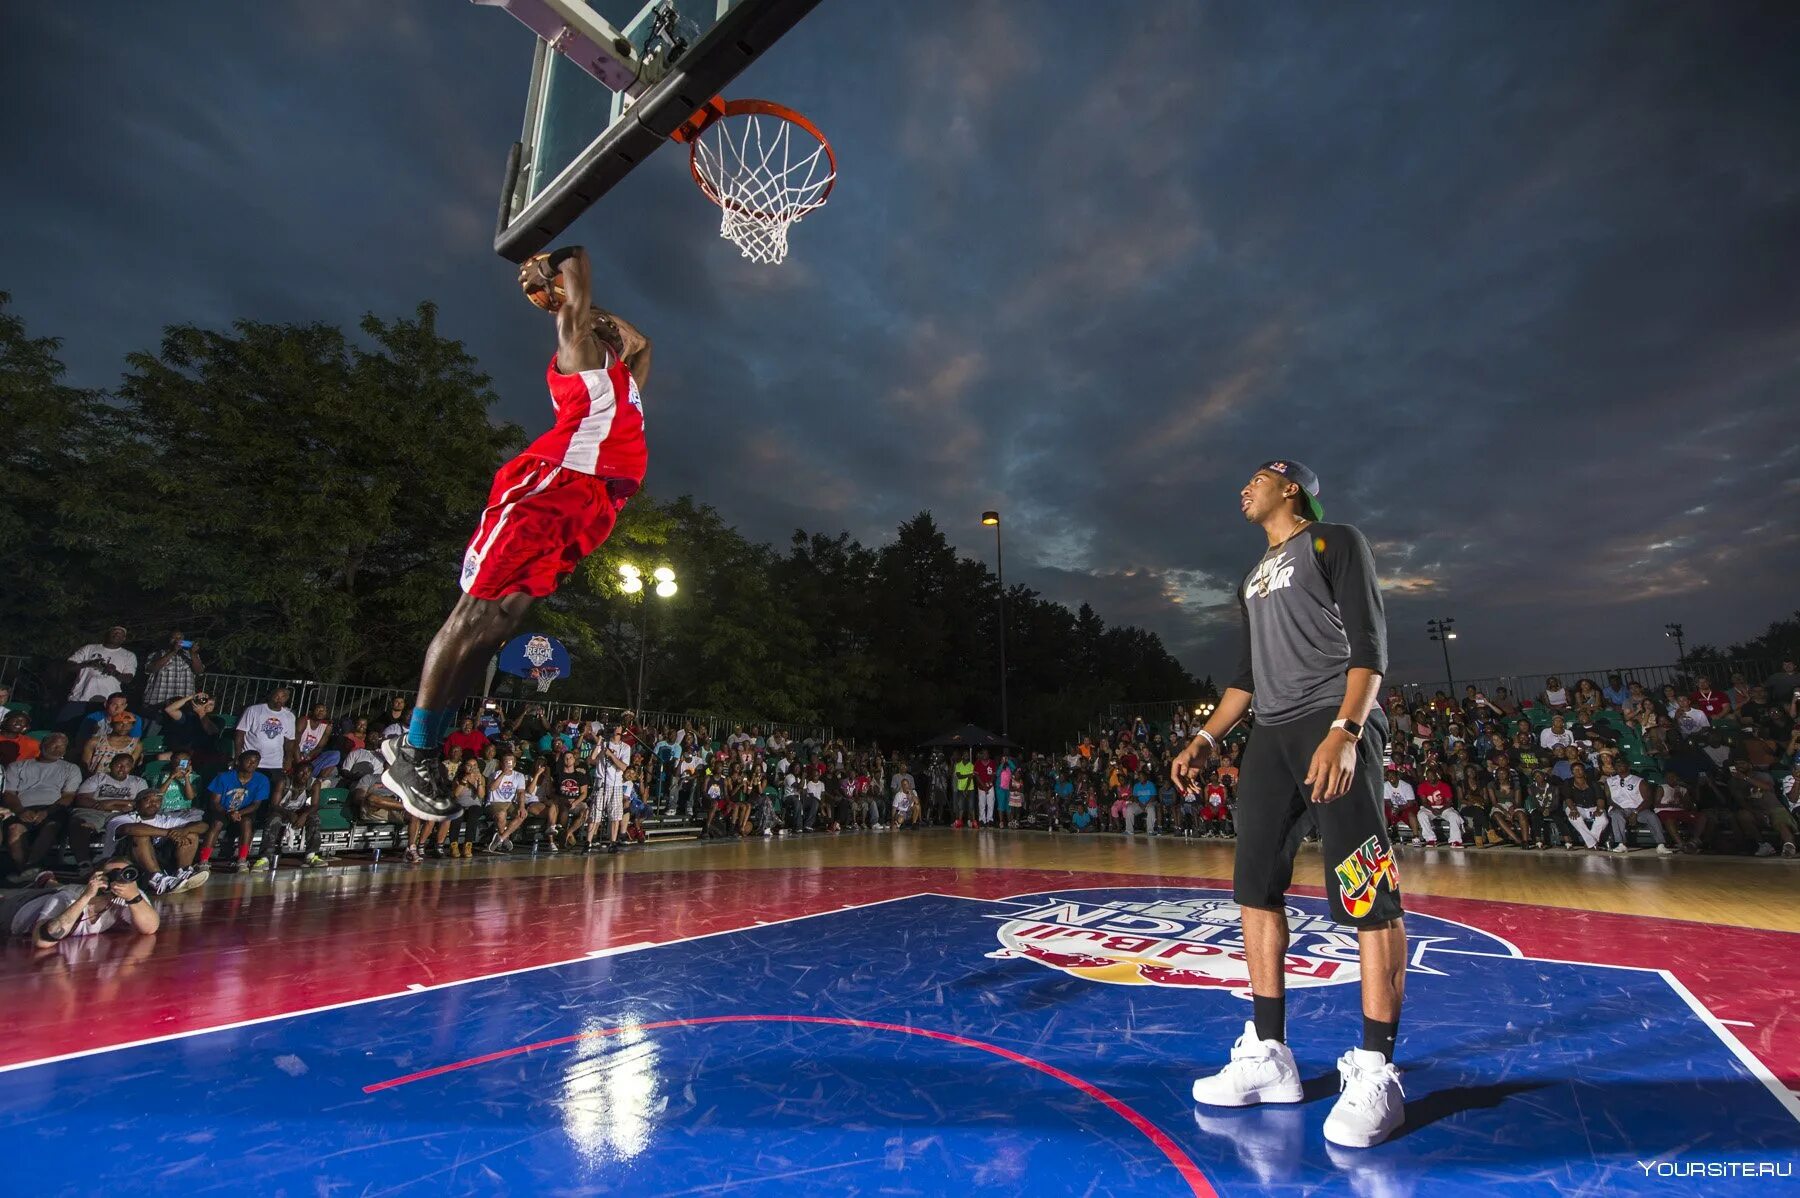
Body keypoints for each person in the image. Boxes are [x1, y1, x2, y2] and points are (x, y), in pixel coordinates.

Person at [1179, 460, 1406, 1149]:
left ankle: (1375, 1069)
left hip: (1329, 722)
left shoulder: (1334, 541)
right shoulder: (1250, 577)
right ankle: (1271, 1055)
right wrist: (1206, 736)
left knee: (1366, 890)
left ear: (1291, 487)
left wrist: (1347, 729)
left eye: (1256, 478)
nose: (1242, 487)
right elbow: (1249, 676)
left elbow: (1370, 643)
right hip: (1271, 737)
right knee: (1254, 888)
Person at [380, 247, 651, 819]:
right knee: (473, 615)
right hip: (549, 491)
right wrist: (554, 265)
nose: (609, 333)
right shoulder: (579, 357)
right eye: (597, 327)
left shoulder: (624, 380)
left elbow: (642, 341)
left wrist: (601, 314)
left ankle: (426, 743)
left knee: (498, 628)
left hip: (589, 509)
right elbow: (575, 264)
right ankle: (415, 748)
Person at [1, 858, 159, 947]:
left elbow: (150, 927)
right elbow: (43, 941)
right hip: (17, 909)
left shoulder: (131, 895)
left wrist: (134, 897)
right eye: (112, 874)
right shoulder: (68, 897)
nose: (120, 879)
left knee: (62, 888)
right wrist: (85, 898)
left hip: (56, 893)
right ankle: (46, 882)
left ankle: (47, 881)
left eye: (126, 874)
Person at [202, 751, 272, 870]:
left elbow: (255, 805)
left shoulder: (262, 780)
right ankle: (203, 861)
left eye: (255, 762)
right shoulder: (223, 777)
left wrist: (239, 813)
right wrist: (228, 812)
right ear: (239, 762)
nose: (252, 764)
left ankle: (242, 860)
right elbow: (214, 802)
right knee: (216, 823)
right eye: (249, 761)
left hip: (244, 812)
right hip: (223, 810)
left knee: (247, 823)